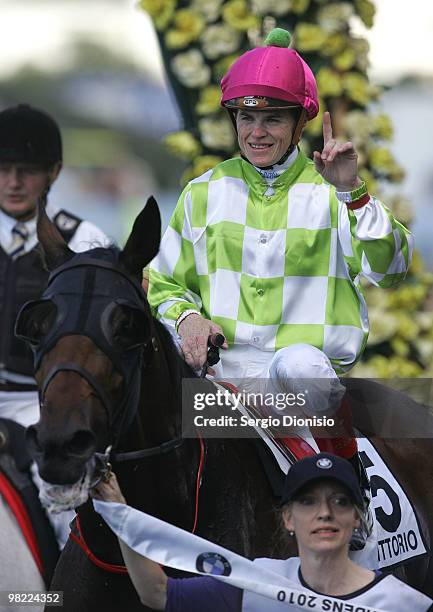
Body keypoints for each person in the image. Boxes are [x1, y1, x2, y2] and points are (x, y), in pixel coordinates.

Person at [147, 27, 413, 525]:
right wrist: (186, 319)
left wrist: (353, 192)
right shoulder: (202, 192)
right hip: (217, 379)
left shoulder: (333, 192)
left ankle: (346, 495)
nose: (258, 132)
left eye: (273, 118)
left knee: (300, 363)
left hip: (302, 384)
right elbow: (162, 281)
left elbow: (393, 270)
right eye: (247, 118)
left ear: (299, 123)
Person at [91, 453, 433, 611]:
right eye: (309, 502)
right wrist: (117, 509)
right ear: (287, 518)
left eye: (341, 502)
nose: (325, 513)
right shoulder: (258, 584)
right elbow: (156, 593)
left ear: (358, 518)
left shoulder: (404, 604)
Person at [0, 104, 109, 558]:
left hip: (41, 403)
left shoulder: (83, 241)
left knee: (64, 507)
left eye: (27, 171)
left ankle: (58, 596)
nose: (13, 182)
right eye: (3, 169)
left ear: (54, 172)